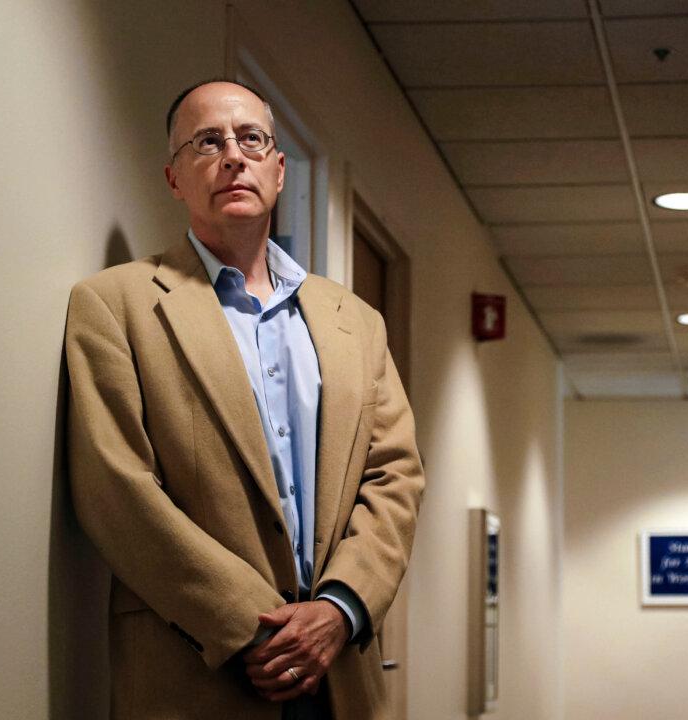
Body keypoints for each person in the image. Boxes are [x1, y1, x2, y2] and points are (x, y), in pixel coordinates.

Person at [64, 79, 424, 719]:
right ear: (174, 178)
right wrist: (247, 623)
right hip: (199, 671)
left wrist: (341, 609)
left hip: (340, 676)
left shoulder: (355, 319)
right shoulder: (114, 306)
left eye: (251, 138)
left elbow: (394, 475)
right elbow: (115, 489)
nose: (234, 155)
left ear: (279, 170)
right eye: (207, 141)